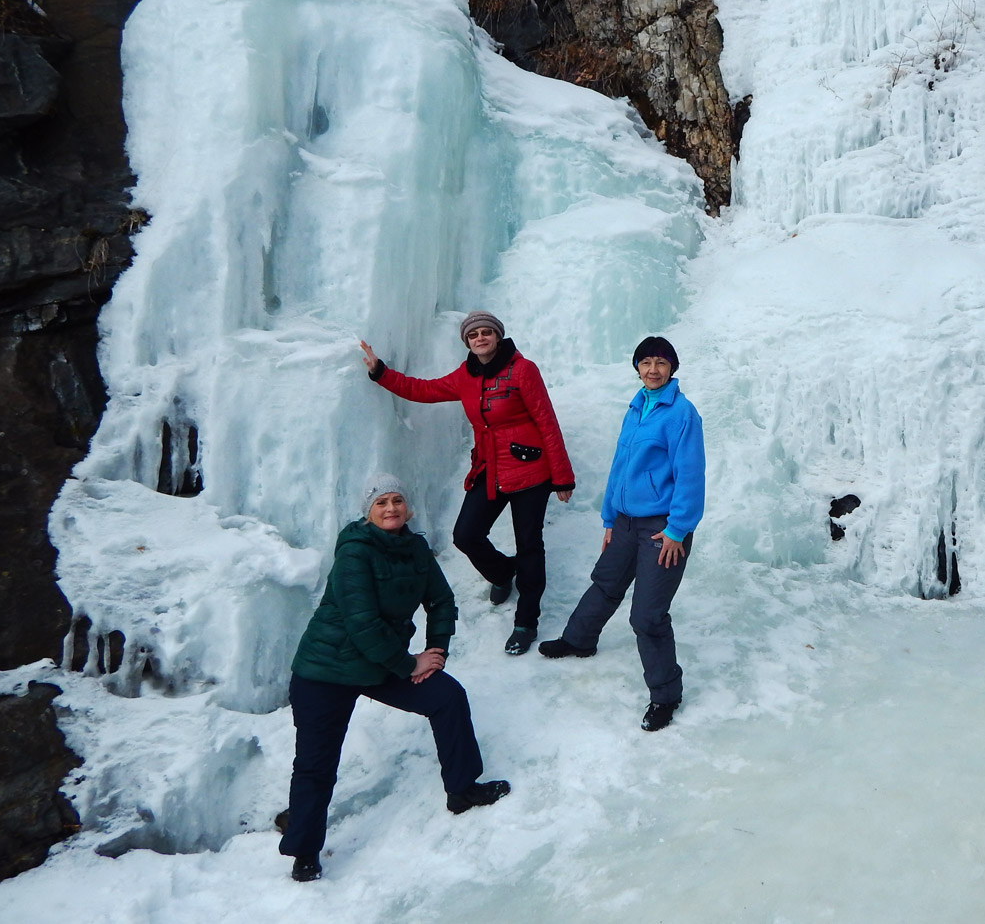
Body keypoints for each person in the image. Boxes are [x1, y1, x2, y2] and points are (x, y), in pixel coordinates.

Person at [279, 472, 509, 883]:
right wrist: (408, 665)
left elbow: (442, 600)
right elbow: (363, 625)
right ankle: (304, 849)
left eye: (397, 500)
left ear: (408, 508)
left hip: (381, 664)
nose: (391, 508)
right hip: (326, 671)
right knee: (316, 765)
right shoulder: (354, 553)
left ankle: (462, 789)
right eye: (381, 502)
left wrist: (435, 653)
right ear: (367, 512)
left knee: (447, 697)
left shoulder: (415, 548)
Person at [361, 311, 574, 656]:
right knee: (466, 535)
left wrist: (562, 477)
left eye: (487, 332)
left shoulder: (523, 369)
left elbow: (546, 421)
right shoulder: (466, 376)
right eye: (473, 334)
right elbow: (424, 390)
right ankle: (504, 572)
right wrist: (380, 373)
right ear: (467, 342)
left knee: (530, 545)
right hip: (490, 468)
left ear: (498, 337)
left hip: (529, 469)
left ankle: (526, 622)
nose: (480, 338)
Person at [539, 336, 704, 733]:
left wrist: (677, 530)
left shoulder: (682, 413)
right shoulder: (636, 408)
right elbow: (620, 466)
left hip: (663, 528)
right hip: (626, 522)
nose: (653, 369)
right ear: (636, 368)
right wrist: (610, 518)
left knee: (647, 616)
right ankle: (579, 639)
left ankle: (665, 695)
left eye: (661, 362)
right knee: (605, 583)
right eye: (646, 362)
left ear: (672, 368)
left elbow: (690, 476)